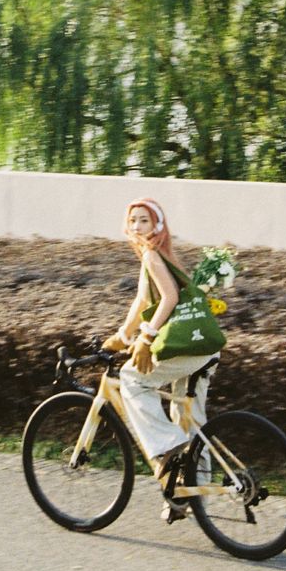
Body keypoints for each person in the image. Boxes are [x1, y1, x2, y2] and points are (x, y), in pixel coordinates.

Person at [103, 198, 220, 484]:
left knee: (132, 379)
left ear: (158, 225)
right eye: (133, 220)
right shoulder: (161, 256)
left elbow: (170, 297)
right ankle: (193, 490)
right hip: (202, 347)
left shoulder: (152, 256)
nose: (137, 226)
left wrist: (146, 337)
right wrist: (122, 336)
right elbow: (142, 300)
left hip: (189, 349)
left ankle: (168, 447)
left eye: (144, 220)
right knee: (187, 416)